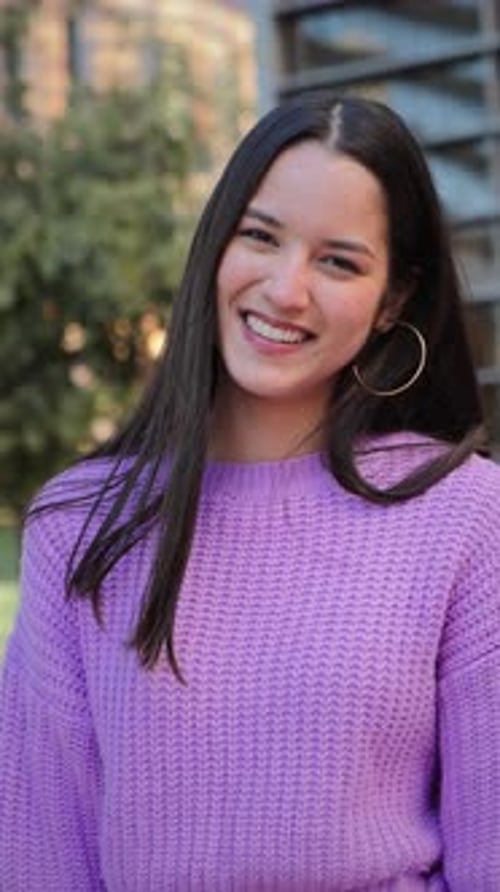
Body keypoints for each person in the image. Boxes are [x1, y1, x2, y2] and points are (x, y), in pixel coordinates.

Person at [1, 91, 499, 892]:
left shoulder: (467, 518)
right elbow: (39, 862)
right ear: (216, 245)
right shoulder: (79, 527)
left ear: (392, 302)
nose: (287, 289)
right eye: (261, 236)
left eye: (338, 261)